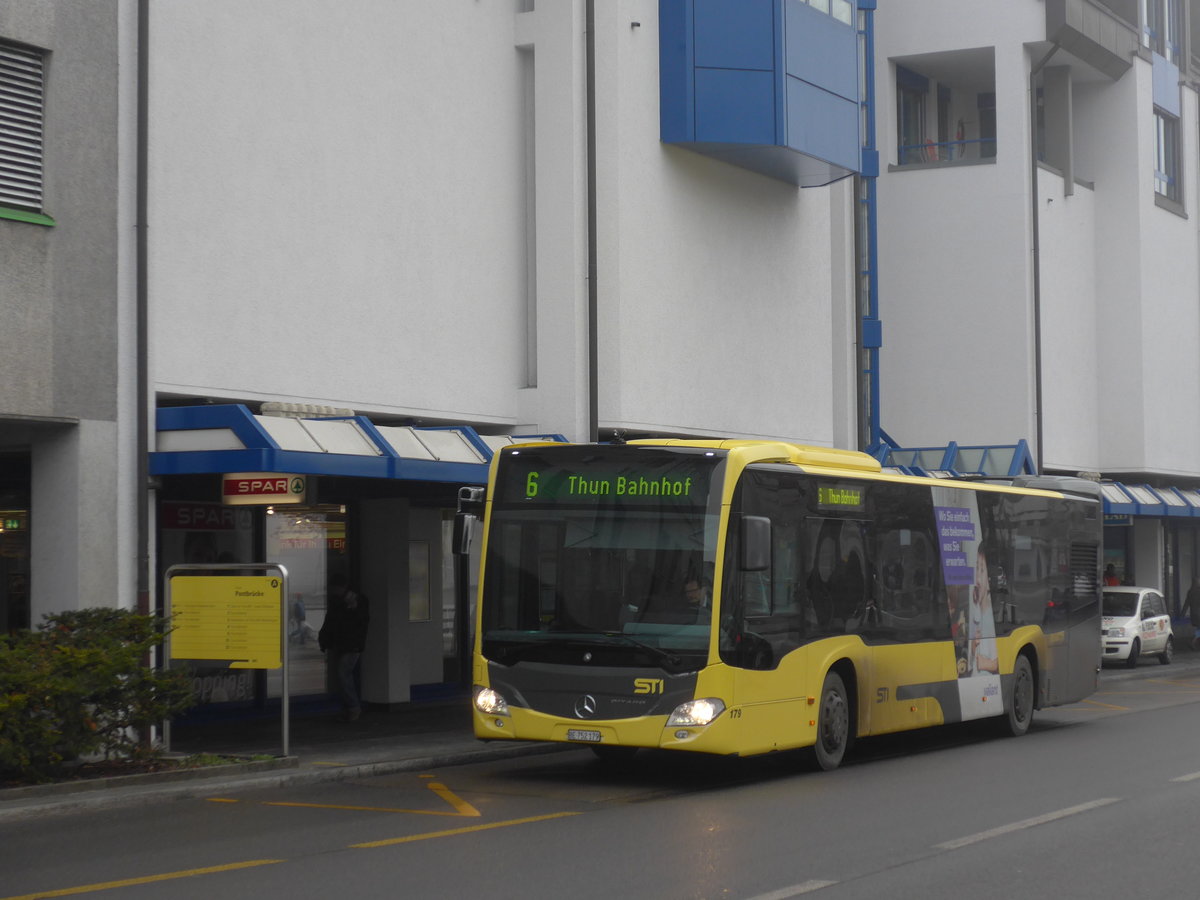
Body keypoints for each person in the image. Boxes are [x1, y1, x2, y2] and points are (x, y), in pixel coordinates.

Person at [319, 573, 370, 721]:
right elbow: (331, 622)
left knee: (343, 673)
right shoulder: (338, 601)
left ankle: (353, 706)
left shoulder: (356, 601)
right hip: (344, 643)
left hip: (351, 644)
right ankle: (349, 706)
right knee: (342, 674)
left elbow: (359, 621)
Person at [1186, 577, 1200, 651]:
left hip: (1193, 614)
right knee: (1199, 628)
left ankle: (1194, 642)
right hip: (1198, 613)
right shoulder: (1198, 591)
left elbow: (1186, 603)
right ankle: (1193, 641)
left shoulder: (1190, 591)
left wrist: (1182, 614)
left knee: (1198, 628)